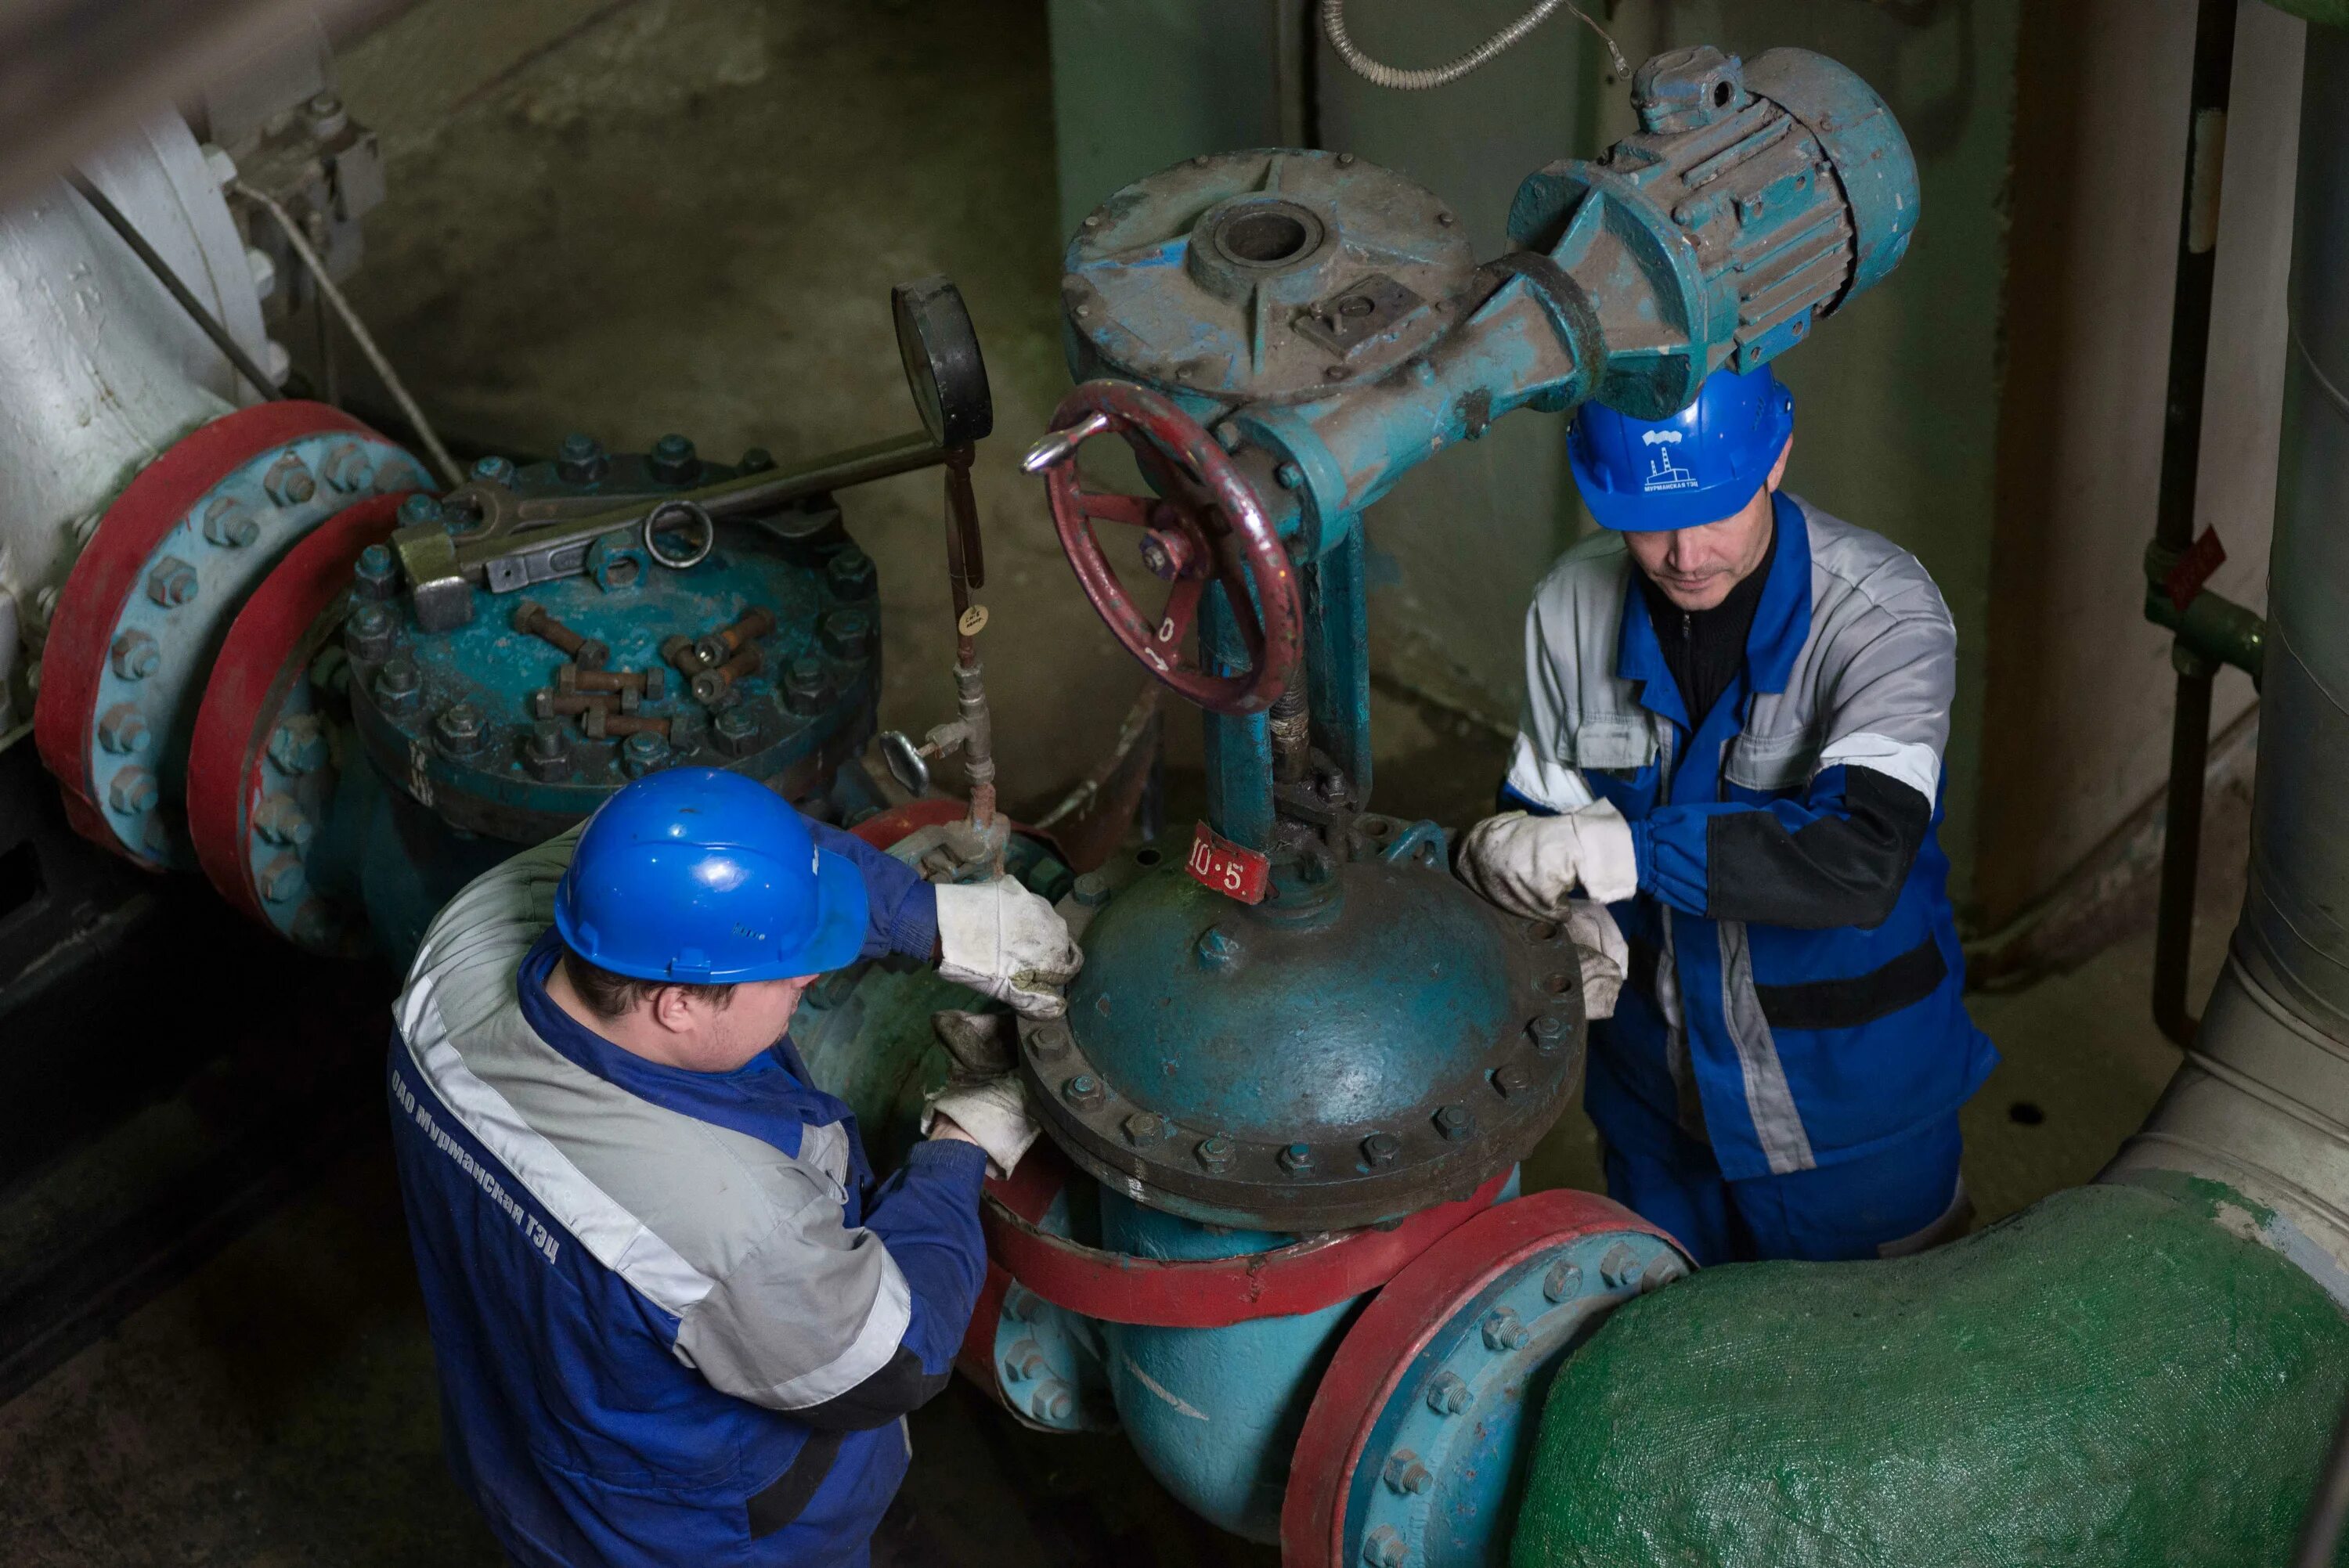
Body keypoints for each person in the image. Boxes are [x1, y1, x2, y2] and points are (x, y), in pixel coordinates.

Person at [386, 767, 1077, 1566]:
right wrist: (962, 1142)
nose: (810, 976)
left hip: (520, 1451)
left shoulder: (459, 950)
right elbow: (895, 1354)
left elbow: (688, 845)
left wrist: (933, 921)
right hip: (697, 1538)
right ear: (676, 1002)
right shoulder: (729, 1222)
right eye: (787, 972)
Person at [1457, 362, 1996, 1267]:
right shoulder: (1569, 605)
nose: (1686, 553)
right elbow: (1541, 813)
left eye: (1716, 506)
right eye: (1647, 520)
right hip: (1655, 1104)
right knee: (1673, 1346)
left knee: (1887, 1366)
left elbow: (1861, 857)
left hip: (1850, 1114)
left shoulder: (1879, 616)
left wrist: (1620, 851)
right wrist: (1554, 904)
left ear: (1777, 458)